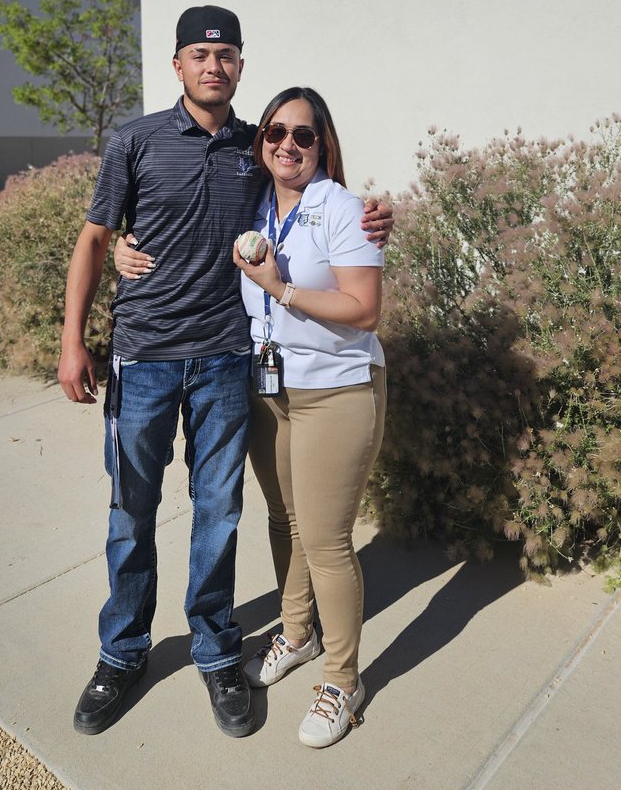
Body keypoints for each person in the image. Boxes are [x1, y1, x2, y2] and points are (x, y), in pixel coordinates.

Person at [57, 5, 391, 740]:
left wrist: (375, 219)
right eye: (200, 55)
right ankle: (122, 652)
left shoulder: (256, 147)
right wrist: (72, 340)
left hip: (227, 361)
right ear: (178, 65)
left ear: (240, 65)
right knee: (131, 512)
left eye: (227, 55)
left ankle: (215, 651)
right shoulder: (136, 141)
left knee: (219, 513)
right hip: (144, 356)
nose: (214, 66)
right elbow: (96, 240)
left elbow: (319, 203)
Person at [231, 86, 386, 749]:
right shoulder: (255, 203)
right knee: (283, 519)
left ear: (324, 144)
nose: (287, 145)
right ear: (260, 141)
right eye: (275, 132)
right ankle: (297, 633)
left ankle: (343, 682)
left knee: (325, 541)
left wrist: (282, 290)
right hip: (271, 388)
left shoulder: (342, 208)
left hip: (336, 390)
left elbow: (364, 309)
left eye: (303, 134)